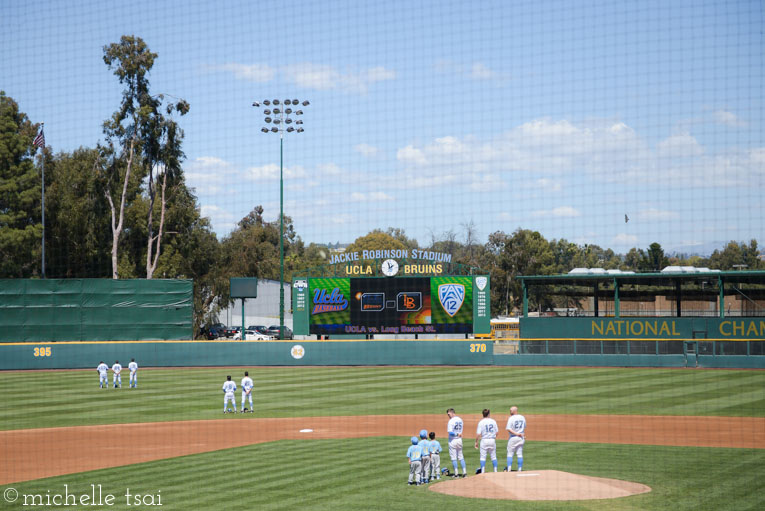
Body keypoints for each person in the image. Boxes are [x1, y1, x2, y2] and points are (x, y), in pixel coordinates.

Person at [474, 408, 498, 473]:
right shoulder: (493, 421)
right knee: (493, 456)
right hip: (492, 440)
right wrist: (493, 438)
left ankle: (483, 471)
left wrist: (476, 442)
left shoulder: (481, 422)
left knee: (482, 457)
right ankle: (495, 471)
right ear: (489, 414)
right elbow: (497, 433)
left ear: (483, 414)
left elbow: (478, 434)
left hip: (484, 440)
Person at [446, 408, 467, 477]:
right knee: (461, 457)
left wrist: (456, 434)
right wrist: (458, 434)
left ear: (452, 413)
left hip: (453, 441)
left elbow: (450, 432)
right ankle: (464, 473)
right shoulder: (460, 419)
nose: (448, 415)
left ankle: (456, 474)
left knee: (454, 458)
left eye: (449, 414)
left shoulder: (451, 421)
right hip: (459, 440)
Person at [505, 406, 527, 472]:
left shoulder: (511, 418)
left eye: (511, 411)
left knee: (510, 453)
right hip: (521, 438)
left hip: (513, 438)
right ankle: (519, 469)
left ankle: (509, 469)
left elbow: (508, 429)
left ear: (514, 411)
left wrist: (516, 434)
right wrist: (520, 433)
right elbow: (524, 426)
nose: (510, 412)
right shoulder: (522, 417)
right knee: (519, 454)